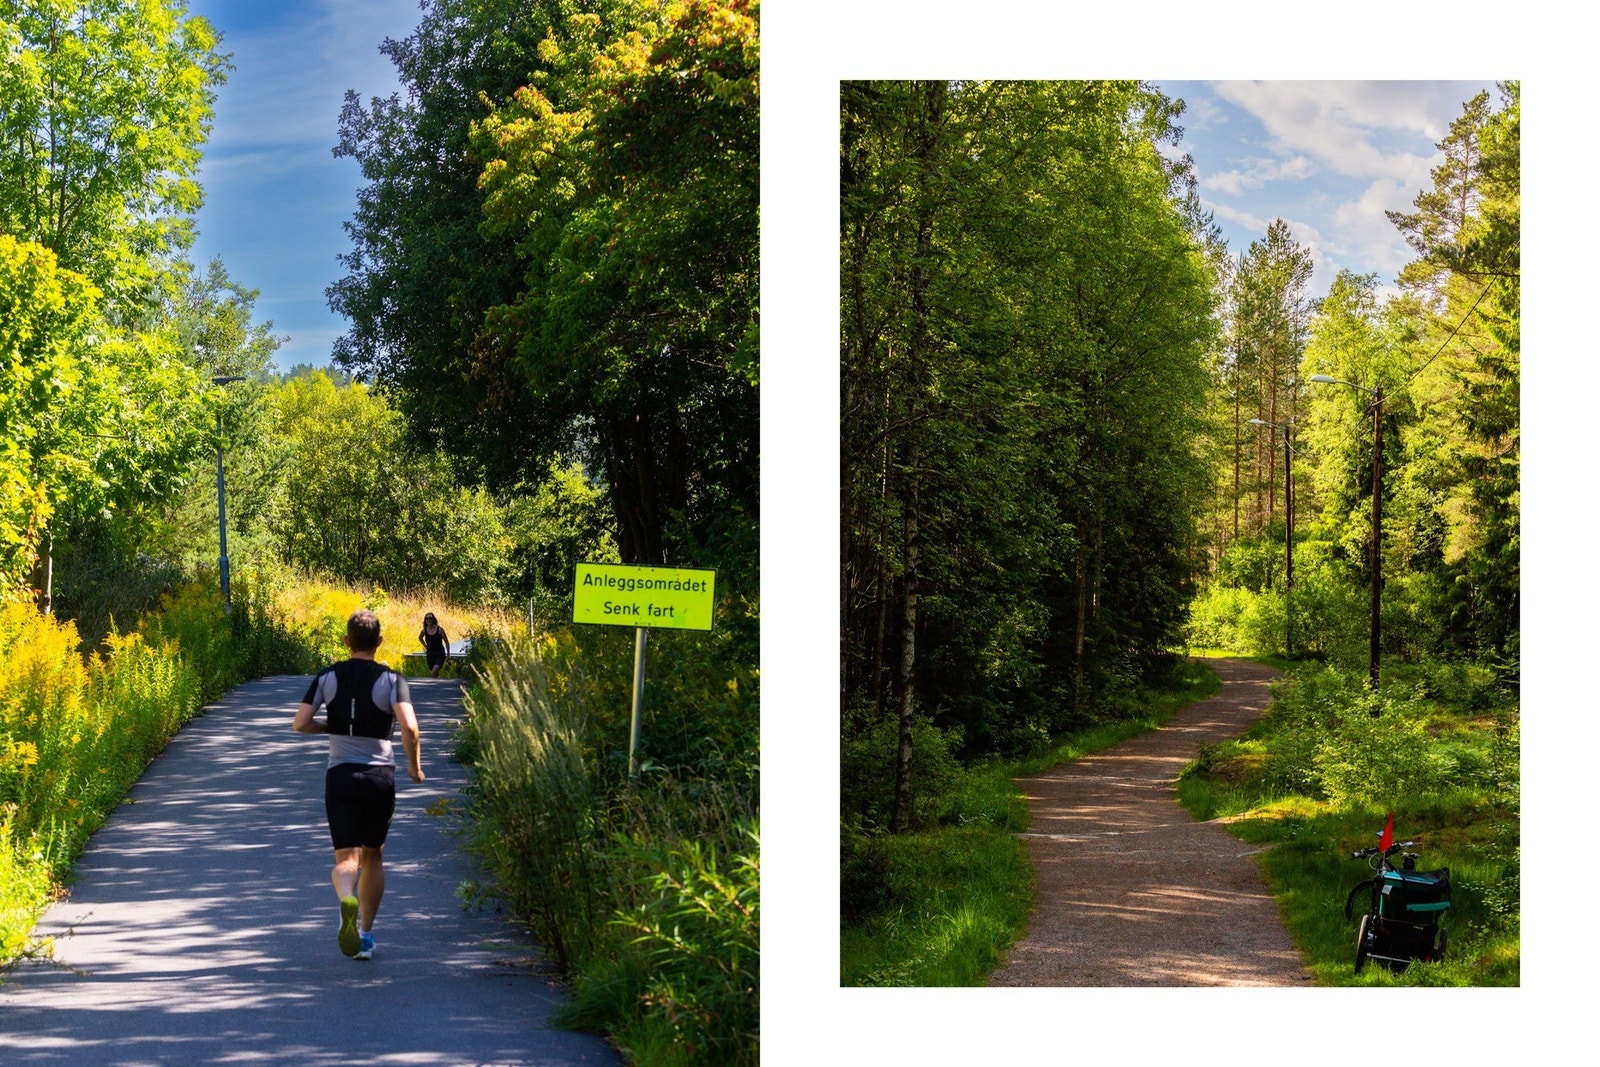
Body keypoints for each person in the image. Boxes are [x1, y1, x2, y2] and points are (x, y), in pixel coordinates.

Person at [293, 610, 423, 960]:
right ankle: (364, 934)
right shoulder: (392, 680)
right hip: (379, 777)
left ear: (346, 641)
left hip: (340, 777)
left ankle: (345, 898)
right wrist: (414, 767)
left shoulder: (327, 676)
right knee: (374, 855)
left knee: (346, 859)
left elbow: (301, 723)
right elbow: (410, 728)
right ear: (380, 641)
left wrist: (329, 727)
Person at [418, 612, 450, 678]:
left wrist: (448, 653)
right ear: (425, 621)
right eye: (426, 619)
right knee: (435, 675)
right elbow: (420, 638)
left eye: (430, 618)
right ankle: (439, 686)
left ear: (433, 619)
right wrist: (425, 646)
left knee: (433, 672)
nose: (428, 620)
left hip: (439, 654)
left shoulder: (439, 630)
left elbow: (446, 642)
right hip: (430, 654)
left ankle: (433, 687)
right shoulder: (424, 631)